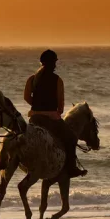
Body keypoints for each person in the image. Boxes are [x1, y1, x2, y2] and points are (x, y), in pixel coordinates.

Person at [23, 49, 86, 178]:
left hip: (34, 118)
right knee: (71, 138)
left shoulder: (31, 79)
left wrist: (36, 107)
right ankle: (72, 167)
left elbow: (26, 97)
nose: (55, 65)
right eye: (54, 63)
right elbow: (61, 103)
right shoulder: (58, 80)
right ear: (53, 64)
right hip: (51, 119)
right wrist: (57, 111)